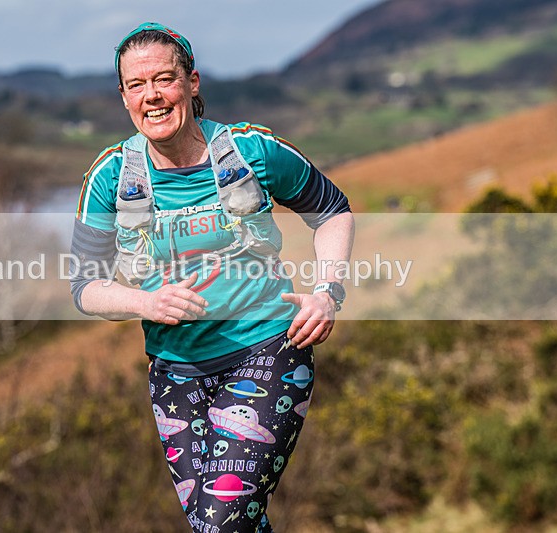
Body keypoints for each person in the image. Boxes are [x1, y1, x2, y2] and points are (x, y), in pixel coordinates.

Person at [70, 22, 354, 533]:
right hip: (174, 373)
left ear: (192, 82)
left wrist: (327, 292)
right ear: (123, 96)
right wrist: (144, 303)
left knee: (222, 523)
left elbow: (332, 209)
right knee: (219, 525)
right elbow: (84, 287)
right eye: (137, 85)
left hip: (268, 350)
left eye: (165, 79)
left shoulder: (253, 151)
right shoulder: (112, 175)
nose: (152, 96)